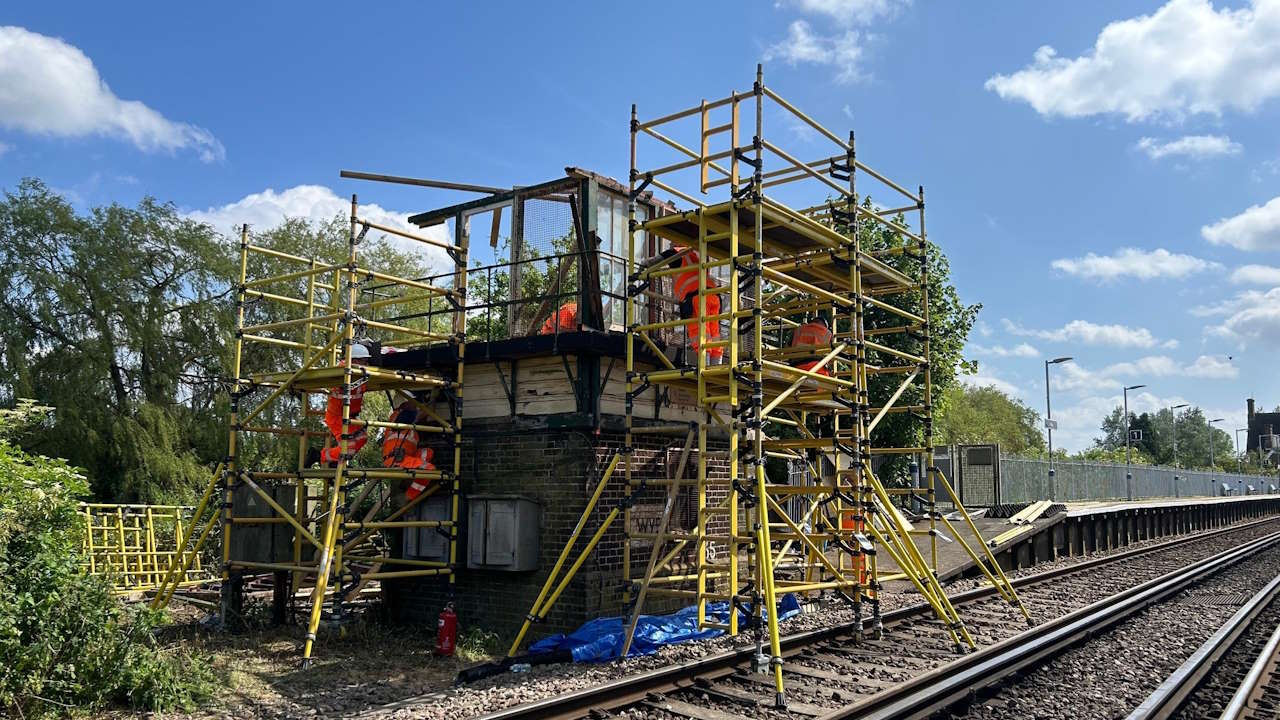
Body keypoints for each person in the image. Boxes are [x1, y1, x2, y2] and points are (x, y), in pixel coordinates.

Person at [665, 248, 723, 364]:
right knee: (714, 333)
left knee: (699, 331)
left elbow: (655, 261)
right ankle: (716, 365)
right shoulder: (694, 255)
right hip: (715, 297)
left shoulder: (675, 253)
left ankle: (704, 366)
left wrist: (643, 268)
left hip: (698, 297)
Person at [318, 342, 371, 465]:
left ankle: (335, 460)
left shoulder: (359, 373)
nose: (367, 364)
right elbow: (342, 365)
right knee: (349, 447)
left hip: (349, 417)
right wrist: (353, 366)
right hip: (337, 417)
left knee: (362, 438)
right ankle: (320, 456)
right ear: (354, 360)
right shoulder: (343, 369)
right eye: (364, 361)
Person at [382, 396, 438, 499]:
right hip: (396, 459)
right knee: (430, 469)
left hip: (404, 456)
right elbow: (425, 412)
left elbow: (425, 414)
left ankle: (410, 478)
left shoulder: (404, 417)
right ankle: (408, 497)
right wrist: (435, 396)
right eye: (413, 402)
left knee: (428, 452)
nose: (415, 405)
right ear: (404, 404)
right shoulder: (402, 415)